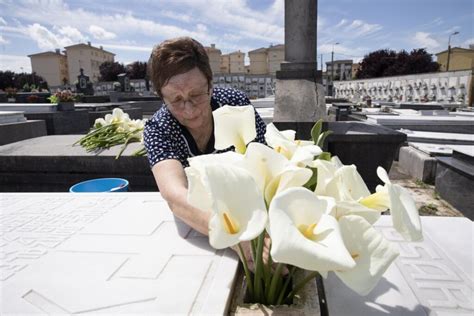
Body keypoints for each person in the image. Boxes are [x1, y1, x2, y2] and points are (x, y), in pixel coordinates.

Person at [144, 37, 268, 265]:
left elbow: (264, 162)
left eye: (196, 95)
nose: (189, 110)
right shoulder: (159, 128)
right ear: (162, 97)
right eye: (176, 100)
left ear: (210, 85)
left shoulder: (235, 105)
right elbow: (174, 195)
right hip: (204, 221)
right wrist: (232, 236)